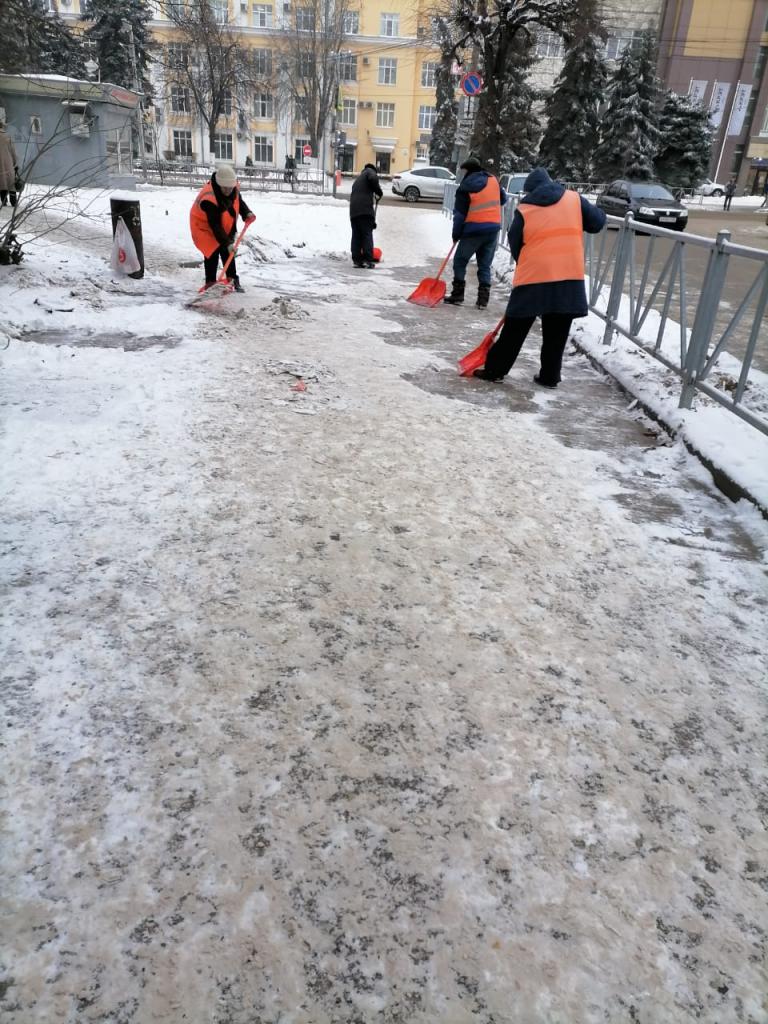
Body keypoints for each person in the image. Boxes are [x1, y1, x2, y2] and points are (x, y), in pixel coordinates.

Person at [473, 167, 605, 388]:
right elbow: (597, 223)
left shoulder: (524, 209)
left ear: (529, 191)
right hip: (568, 275)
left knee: (515, 327)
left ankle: (495, 370)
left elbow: (515, 241)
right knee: (558, 329)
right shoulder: (574, 199)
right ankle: (550, 376)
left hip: (534, 276)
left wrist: (527, 262)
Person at [444, 155, 508, 308]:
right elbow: (503, 199)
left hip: (473, 230)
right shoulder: (493, 180)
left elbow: (459, 215)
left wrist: (456, 234)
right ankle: (483, 301)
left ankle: (458, 295)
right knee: (485, 265)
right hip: (492, 230)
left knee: (460, 261)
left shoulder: (465, 187)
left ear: (467, 171)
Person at [189, 164, 255, 293]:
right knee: (212, 253)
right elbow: (215, 225)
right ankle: (210, 283)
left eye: (230, 188)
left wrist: (247, 213)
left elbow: (238, 202)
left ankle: (232, 279)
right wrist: (227, 243)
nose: (228, 191)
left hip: (225, 223)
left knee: (228, 253)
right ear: (219, 184)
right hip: (204, 227)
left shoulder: (232, 187)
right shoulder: (209, 198)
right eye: (225, 188)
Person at [349, 162, 382, 269]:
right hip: (365, 210)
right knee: (367, 234)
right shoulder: (370, 172)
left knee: (356, 235)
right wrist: (379, 191)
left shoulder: (358, 180)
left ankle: (357, 260)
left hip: (353, 212)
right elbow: (373, 178)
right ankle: (368, 260)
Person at [0, 120, 19, 208]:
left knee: (2, 182)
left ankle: (3, 201)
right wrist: (15, 162)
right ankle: (13, 202)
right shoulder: (7, 136)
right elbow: (13, 151)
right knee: (11, 183)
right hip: (8, 163)